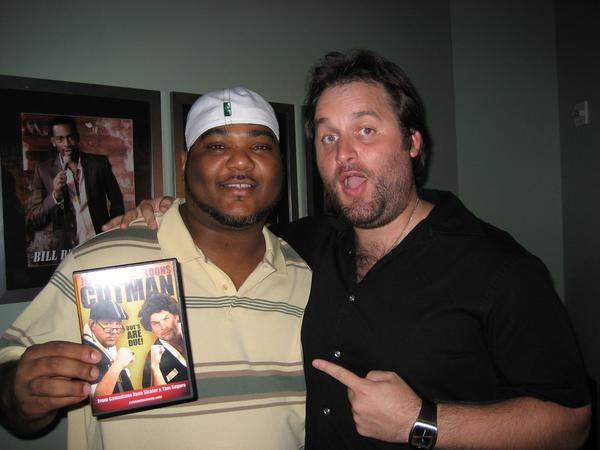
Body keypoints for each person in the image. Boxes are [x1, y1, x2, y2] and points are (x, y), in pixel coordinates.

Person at [116, 50, 591, 449]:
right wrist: (169, 209)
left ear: (412, 142)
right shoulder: (301, 245)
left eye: (365, 130)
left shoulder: (499, 268)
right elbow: (228, 222)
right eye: (328, 137)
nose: (343, 154)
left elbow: (572, 422)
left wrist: (421, 421)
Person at [0, 87, 311, 450]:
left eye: (259, 146)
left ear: (280, 163)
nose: (241, 162)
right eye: (217, 146)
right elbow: (11, 368)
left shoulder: (306, 275)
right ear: (185, 162)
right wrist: (19, 394)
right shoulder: (100, 258)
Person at [27, 115, 124, 253]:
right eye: (60, 139)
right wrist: (55, 195)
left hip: (100, 244)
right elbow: (35, 219)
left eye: (70, 137)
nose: (66, 143)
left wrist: (113, 231)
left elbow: (117, 200)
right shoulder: (43, 170)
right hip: (66, 250)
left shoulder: (99, 164)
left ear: (77, 137)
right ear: (53, 141)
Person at [83, 301, 134, 396]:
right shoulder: (86, 353)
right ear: (92, 325)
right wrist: (118, 364)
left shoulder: (108, 347)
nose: (114, 332)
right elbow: (97, 399)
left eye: (118, 324)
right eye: (107, 323)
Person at [138, 293, 188, 387]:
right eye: (156, 323)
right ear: (150, 328)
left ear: (176, 316)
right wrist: (155, 368)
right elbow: (154, 394)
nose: (163, 327)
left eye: (166, 318)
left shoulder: (194, 330)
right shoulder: (152, 362)